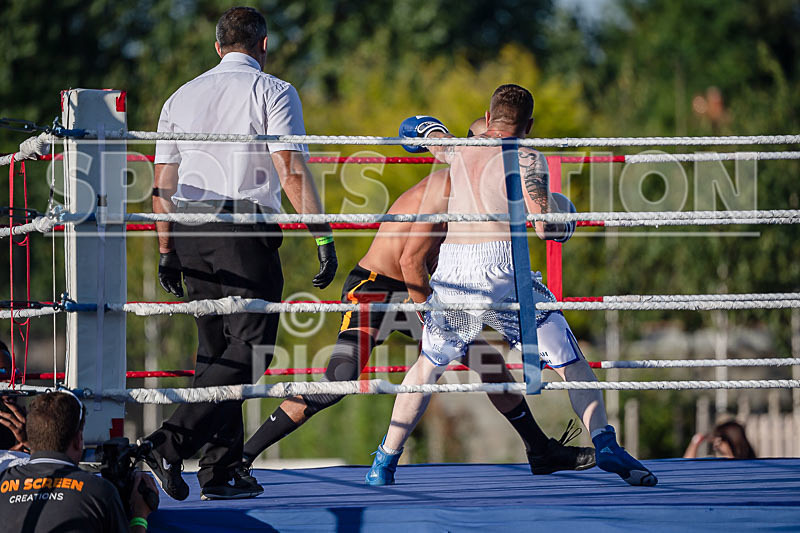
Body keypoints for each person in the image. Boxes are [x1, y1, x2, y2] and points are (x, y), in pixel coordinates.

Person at [237, 119, 594, 480]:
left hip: (420, 287)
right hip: (378, 288)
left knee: (490, 363)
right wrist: (429, 311)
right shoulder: (447, 188)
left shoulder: (477, 192)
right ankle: (243, 455)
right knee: (338, 379)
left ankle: (540, 450)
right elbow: (410, 259)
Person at [366, 84, 657, 487]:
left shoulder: (458, 148)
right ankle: (604, 441)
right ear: (530, 126)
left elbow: (415, 129)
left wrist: (429, 131)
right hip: (505, 270)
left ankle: (385, 460)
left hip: (453, 271)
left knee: (427, 367)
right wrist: (563, 214)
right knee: (571, 360)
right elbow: (543, 229)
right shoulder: (528, 158)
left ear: (487, 119)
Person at [143, 6, 337, 501]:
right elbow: (289, 168)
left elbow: (161, 183)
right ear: (263, 45)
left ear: (217, 47)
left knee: (216, 351)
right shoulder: (272, 90)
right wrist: (321, 234)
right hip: (241, 226)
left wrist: (167, 247)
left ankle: (221, 468)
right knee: (253, 347)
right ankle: (168, 444)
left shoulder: (180, 96)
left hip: (187, 226)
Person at [0, 391, 157, 532]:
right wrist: (139, 516)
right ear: (78, 440)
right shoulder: (99, 491)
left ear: (30, 437)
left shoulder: (2, 481)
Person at [683, 420, 756, 459]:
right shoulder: (756, 464)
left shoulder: (716, 465)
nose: (715, 446)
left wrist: (695, 441)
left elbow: (687, 466)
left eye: (719, 441)